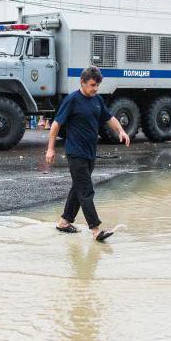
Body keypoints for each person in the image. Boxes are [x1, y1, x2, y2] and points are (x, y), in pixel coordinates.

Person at [45, 67, 130, 242]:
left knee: (78, 188)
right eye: (92, 85)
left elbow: (109, 118)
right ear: (82, 83)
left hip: (90, 152)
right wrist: (50, 149)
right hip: (75, 152)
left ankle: (64, 222)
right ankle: (96, 230)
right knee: (86, 190)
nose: (96, 88)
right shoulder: (72, 100)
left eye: (98, 85)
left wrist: (121, 131)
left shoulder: (97, 100)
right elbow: (55, 125)